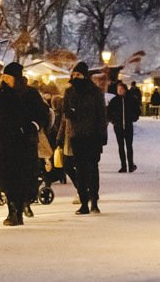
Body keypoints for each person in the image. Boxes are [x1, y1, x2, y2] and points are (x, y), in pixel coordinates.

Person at [0, 62, 50, 226]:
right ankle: (12, 210)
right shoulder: (0, 95)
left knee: (22, 176)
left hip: (24, 142)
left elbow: (43, 113)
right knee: (6, 176)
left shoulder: (30, 94)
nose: (5, 80)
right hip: (4, 142)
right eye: (4, 77)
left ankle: (18, 210)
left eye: (8, 77)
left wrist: (33, 126)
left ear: (16, 78)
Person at [63, 61, 107, 214]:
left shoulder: (95, 92)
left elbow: (102, 115)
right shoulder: (69, 92)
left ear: (85, 76)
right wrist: (70, 112)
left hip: (93, 136)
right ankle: (84, 202)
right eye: (73, 75)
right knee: (80, 170)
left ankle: (94, 200)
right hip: (77, 136)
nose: (75, 77)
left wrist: (102, 136)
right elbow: (65, 111)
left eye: (78, 75)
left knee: (93, 169)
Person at [106, 81, 140, 172]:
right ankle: (123, 166)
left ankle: (131, 165)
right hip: (118, 126)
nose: (119, 91)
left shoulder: (131, 99)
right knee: (121, 146)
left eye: (121, 89)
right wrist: (113, 120)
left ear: (125, 89)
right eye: (118, 89)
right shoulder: (114, 101)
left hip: (128, 125)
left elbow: (137, 110)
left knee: (129, 146)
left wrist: (133, 118)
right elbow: (108, 112)